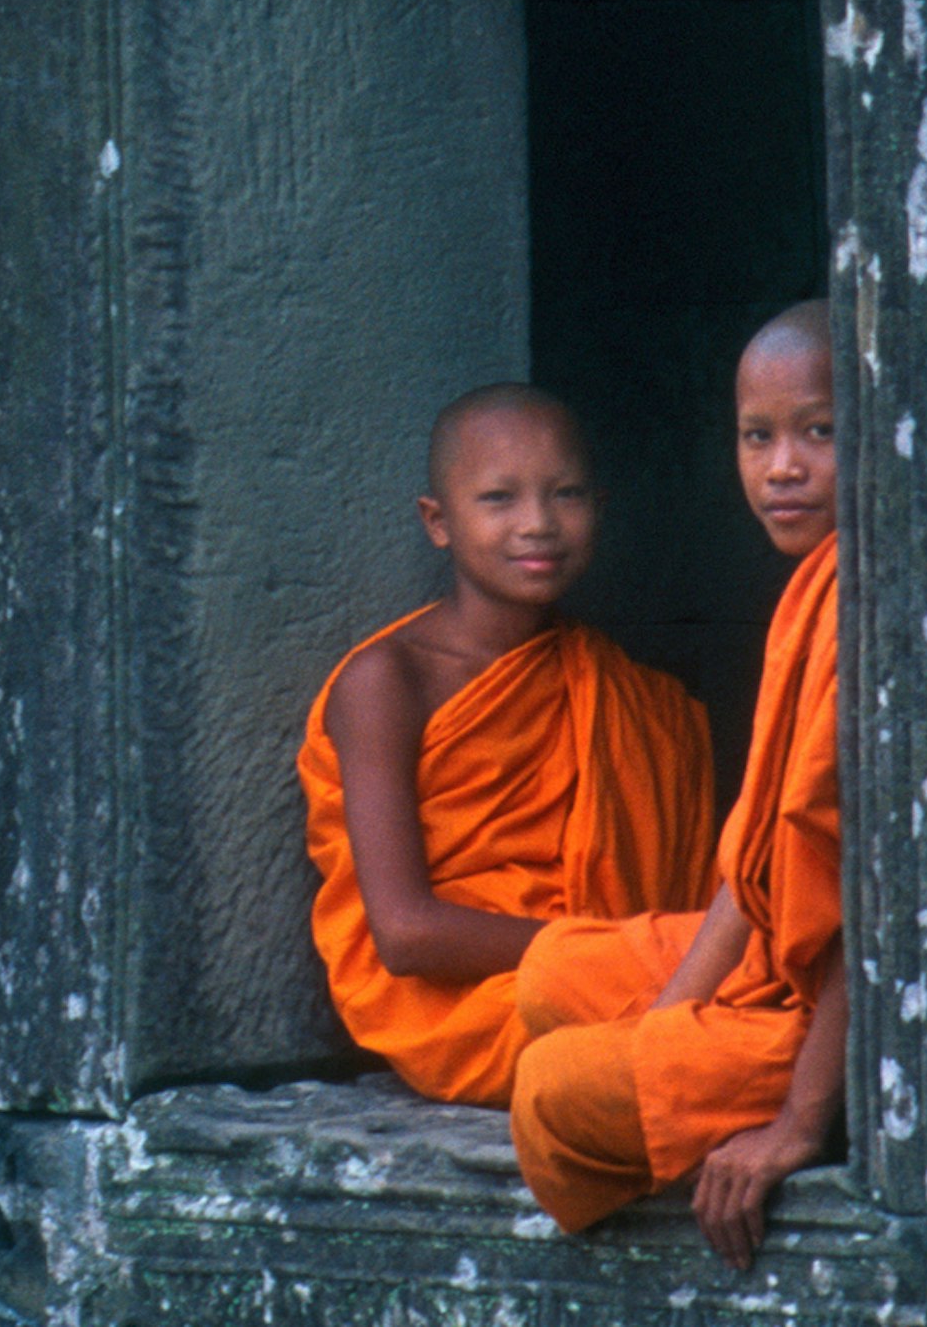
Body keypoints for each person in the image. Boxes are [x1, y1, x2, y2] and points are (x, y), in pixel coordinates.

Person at [506, 300, 843, 1269]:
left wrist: (796, 1127)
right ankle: (711, 1061)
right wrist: (672, 1027)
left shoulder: (876, 600)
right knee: (550, 979)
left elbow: (877, 911)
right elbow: (760, 856)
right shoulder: (810, 588)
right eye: (757, 436)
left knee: (555, 1093)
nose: (783, 467)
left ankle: (828, 1100)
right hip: (778, 973)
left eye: (820, 432)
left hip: (851, 1019)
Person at [297, 384, 716, 1107]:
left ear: (601, 510)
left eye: (567, 494)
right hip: (469, 1011)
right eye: (498, 498)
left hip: (622, 978)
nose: (538, 524)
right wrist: (618, 953)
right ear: (438, 521)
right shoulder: (388, 681)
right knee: (712, 1024)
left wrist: (645, 956)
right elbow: (404, 934)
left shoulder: (636, 700)